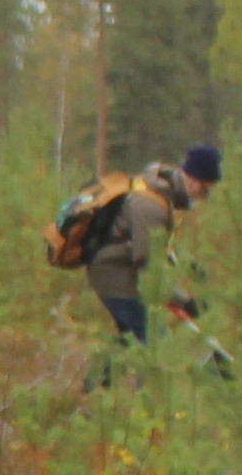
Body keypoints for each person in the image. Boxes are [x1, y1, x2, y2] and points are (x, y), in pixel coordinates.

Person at [80, 144, 220, 344]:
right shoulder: (152, 206)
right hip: (117, 280)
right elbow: (148, 268)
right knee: (156, 348)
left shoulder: (160, 189)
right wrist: (186, 302)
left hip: (111, 272)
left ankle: (97, 376)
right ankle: (109, 376)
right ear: (193, 182)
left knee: (129, 341)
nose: (205, 198)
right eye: (206, 191)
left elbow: (159, 245)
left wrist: (188, 268)